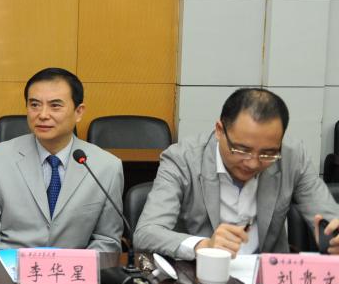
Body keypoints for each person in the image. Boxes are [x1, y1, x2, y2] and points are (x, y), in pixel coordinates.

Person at [135, 88, 339, 258]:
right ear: (219, 130)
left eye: (268, 153)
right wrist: (203, 246)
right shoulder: (183, 159)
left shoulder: (292, 157)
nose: (253, 163)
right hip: (198, 280)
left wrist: (335, 235)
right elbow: (146, 233)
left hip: (267, 282)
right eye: (242, 150)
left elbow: (328, 217)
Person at [0, 68, 123, 252]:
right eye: (35, 105)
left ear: (78, 112)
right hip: (11, 266)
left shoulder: (106, 167)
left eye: (55, 106)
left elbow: (107, 240)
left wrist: (73, 267)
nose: (42, 115)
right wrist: (15, 265)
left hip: (75, 269)